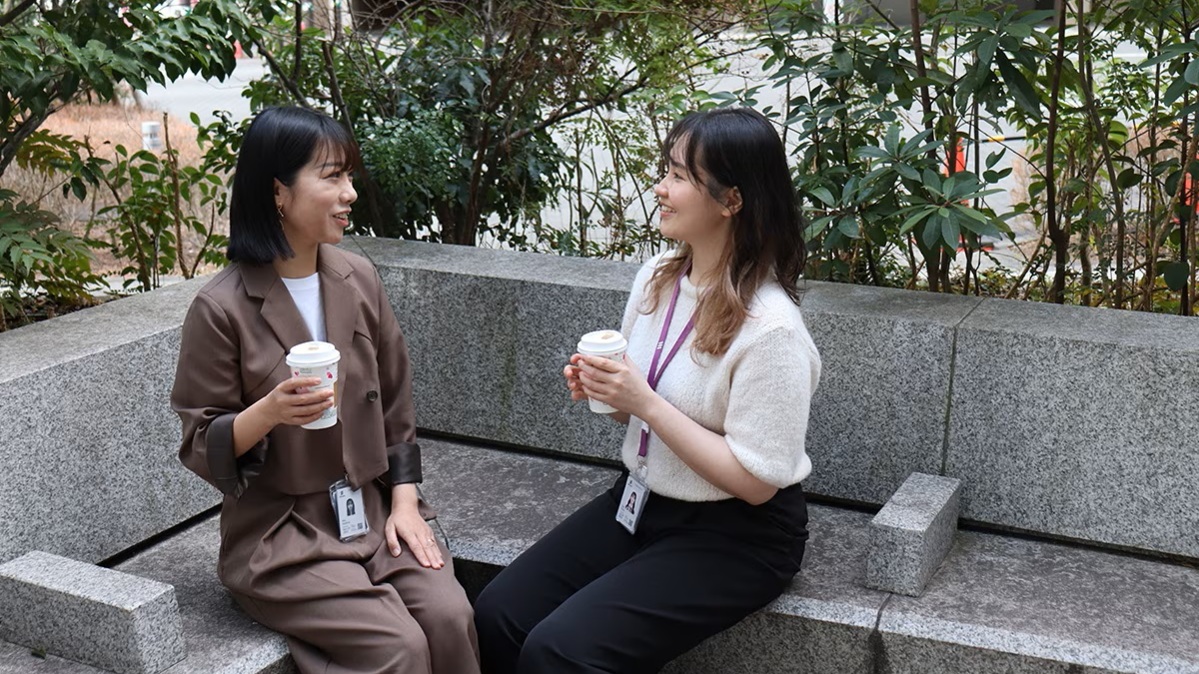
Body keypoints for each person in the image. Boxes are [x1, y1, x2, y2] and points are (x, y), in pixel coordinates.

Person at [473, 107, 822, 674]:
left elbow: (757, 482)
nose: (660, 188)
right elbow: (636, 415)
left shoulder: (772, 330)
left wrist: (644, 402)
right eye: (666, 170)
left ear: (732, 200)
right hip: (642, 499)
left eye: (680, 176)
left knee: (560, 650)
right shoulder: (660, 276)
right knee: (498, 613)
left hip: (739, 534)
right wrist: (605, 391)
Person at [171, 106, 480, 674]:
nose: (350, 194)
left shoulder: (357, 277)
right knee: (399, 646)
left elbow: (395, 403)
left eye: (349, 176)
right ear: (279, 193)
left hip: (371, 507)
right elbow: (199, 441)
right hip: (282, 534)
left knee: (451, 618)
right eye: (332, 176)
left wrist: (405, 501)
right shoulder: (221, 308)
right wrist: (269, 411)